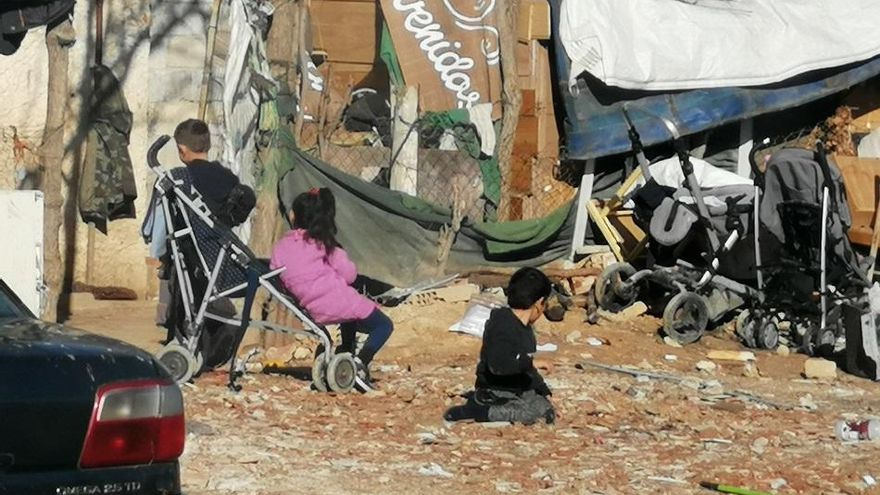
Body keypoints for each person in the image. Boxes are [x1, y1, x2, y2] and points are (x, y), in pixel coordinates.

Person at [270, 187, 393, 393]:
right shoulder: (325, 245)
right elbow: (349, 275)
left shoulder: (281, 246)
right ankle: (359, 363)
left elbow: (276, 271)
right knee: (383, 326)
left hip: (309, 306)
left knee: (349, 315)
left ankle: (345, 352)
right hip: (337, 301)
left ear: (293, 216)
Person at [444, 267, 556, 425]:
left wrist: (541, 388)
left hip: (516, 388)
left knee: (545, 409)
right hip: (496, 390)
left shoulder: (525, 329)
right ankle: (473, 412)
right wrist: (533, 363)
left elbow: (526, 367)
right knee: (529, 413)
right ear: (539, 303)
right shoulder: (502, 324)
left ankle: (508, 409)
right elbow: (500, 365)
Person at [172, 118, 253, 227]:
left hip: (188, 241)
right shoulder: (229, 178)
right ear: (209, 145)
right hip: (222, 241)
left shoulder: (182, 178)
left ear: (182, 150)